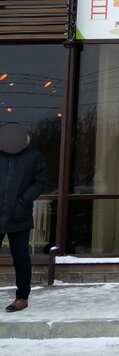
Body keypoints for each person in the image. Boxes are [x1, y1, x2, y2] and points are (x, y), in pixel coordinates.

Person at [0, 123, 47, 313]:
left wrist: (24, 201)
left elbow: (40, 182)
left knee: (20, 257)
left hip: (19, 216)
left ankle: (22, 297)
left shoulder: (33, 157)